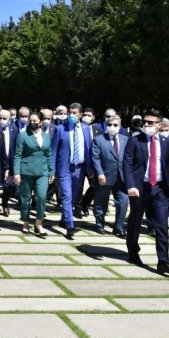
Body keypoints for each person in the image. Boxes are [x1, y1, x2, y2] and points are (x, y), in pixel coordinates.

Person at [123, 109, 169, 275]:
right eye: (144, 122)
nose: (146, 125)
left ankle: (164, 262)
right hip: (139, 188)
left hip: (159, 189)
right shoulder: (135, 141)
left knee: (162, 226)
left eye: (150, 122)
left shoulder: (167, 142)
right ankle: (133, 251)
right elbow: (127, 164)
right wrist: (130, 185)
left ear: (159, 125)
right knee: (135, 221)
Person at [51, 102, 93, 239]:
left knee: (73, 197)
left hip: (80, 169)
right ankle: (70, 226)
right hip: (65, 168)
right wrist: (52, 170)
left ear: (80, 115)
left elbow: (89, 149)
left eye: (75, 113)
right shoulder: (60, 129)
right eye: (70, 113)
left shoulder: (87, 129)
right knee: (67, 196)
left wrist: (90, 168)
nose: (71, 115)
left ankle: (64, 219)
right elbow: (54, 151)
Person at [14, 112, 54, 235]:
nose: (32, 123)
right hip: (26, 172)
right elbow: (18, 155)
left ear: (40, 122)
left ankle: (38, 223)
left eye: (35, 121)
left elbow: (49, 154)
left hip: (42, 172)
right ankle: (25, 222)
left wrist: (51, 170)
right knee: (25, 200)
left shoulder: (46, 136)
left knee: (41, 197)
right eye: (30, 120)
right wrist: (16, 173)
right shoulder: (23, 135)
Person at [91, 115, 129, 237]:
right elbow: (95, 158)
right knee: (101, 202)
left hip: (121, 177)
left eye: (115, 125)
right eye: (110, 125)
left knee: (123, 202)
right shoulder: (99, 139)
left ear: (120, 126)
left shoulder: (125, 139)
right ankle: (99, 224)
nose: (112, 127)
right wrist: (100, 173)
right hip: (104, 176)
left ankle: (118, 226)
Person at [0, 109, 19, 216]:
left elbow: (16, 147)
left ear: (9, 119)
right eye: (0, 118)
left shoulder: (14, 129)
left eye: (4, 118)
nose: (1, 120)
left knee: (8, 185)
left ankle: (4, 204)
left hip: (10, 162)